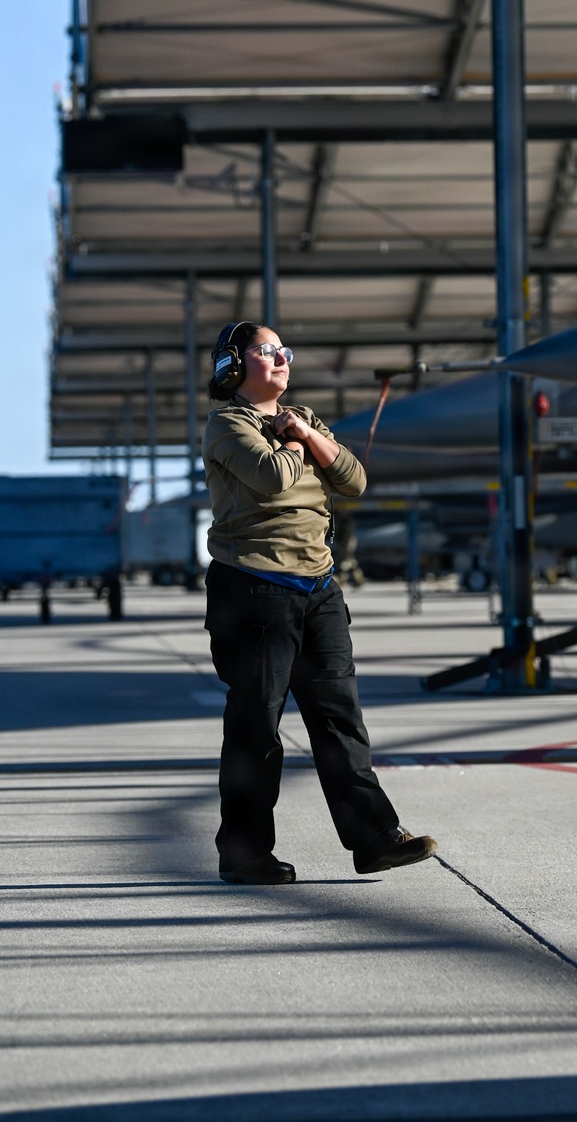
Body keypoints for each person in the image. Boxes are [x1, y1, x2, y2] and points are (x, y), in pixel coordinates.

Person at [201, 320, 436, 885]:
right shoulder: (228, 424)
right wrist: (299, 440)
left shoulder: (299, 418)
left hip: (318, 587)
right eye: (266, 351)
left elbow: (353, 479)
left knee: (339, 720)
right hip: (255, 588)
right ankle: (244, 852)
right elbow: (274, 479)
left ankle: (375, 838)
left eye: (285, 350)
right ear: (233, 364)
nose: (281, 358)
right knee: (257, 726)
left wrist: (306, 434)